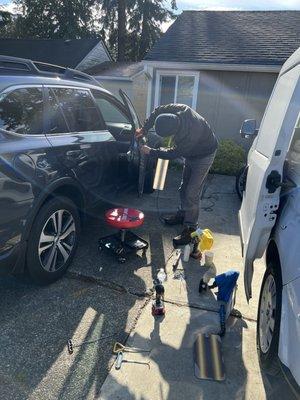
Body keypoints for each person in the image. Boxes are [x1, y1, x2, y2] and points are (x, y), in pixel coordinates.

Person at [136, 103, 218, 246]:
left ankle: (191, 227)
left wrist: (150, 151)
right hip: (191, 153)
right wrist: (144, 128)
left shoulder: (191, 133)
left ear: (175, 131)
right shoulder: (177, 108)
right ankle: (182, 214)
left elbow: (173, 154)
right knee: (183, 188)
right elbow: (158, 110)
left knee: (192, 192)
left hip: (205, 155)